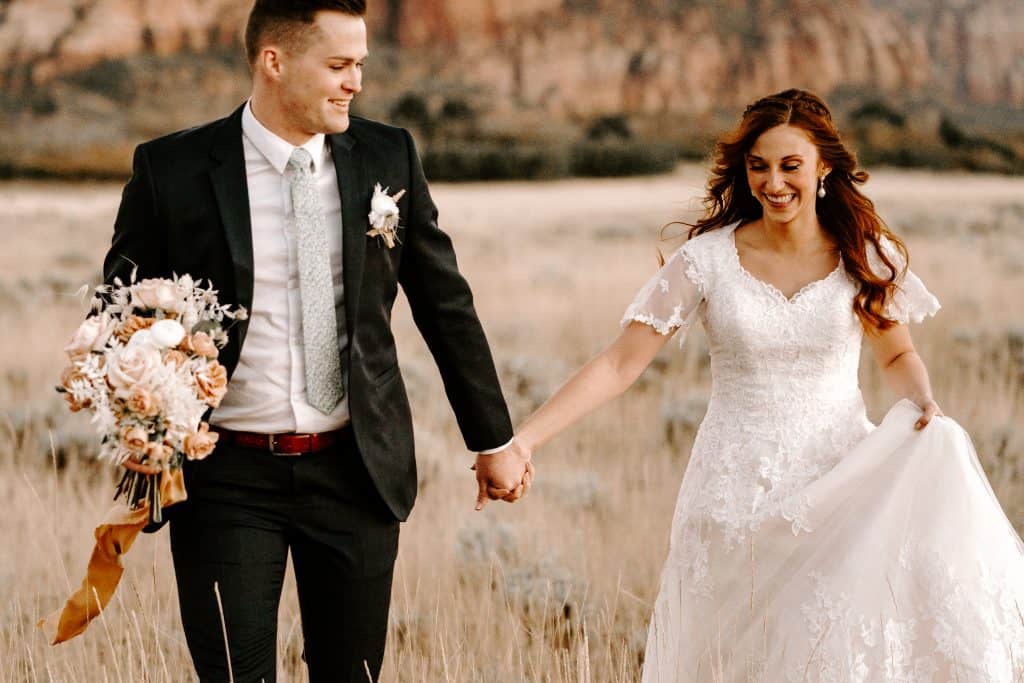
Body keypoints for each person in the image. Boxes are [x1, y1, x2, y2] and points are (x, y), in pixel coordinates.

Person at [512, 89, 1024, 680]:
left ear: (823, 168)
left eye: (790, 166)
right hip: (730, 497)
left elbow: (896, 353)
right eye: (759, 166)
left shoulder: (863, 254)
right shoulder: (706, 260)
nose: (773, 183)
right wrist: (526, 441)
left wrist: (921, 400)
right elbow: (619, 364)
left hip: (838, 485)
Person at [104, 1, 532, 680]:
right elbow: (117, 315)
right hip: (227, 479)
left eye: (360, 64)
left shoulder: (389, 154)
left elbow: (445, 303)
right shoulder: (173, 169)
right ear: (274, 62)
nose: (355, 81)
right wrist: (141, 415)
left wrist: (493, 439)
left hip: (356, 471)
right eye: (338, 64)